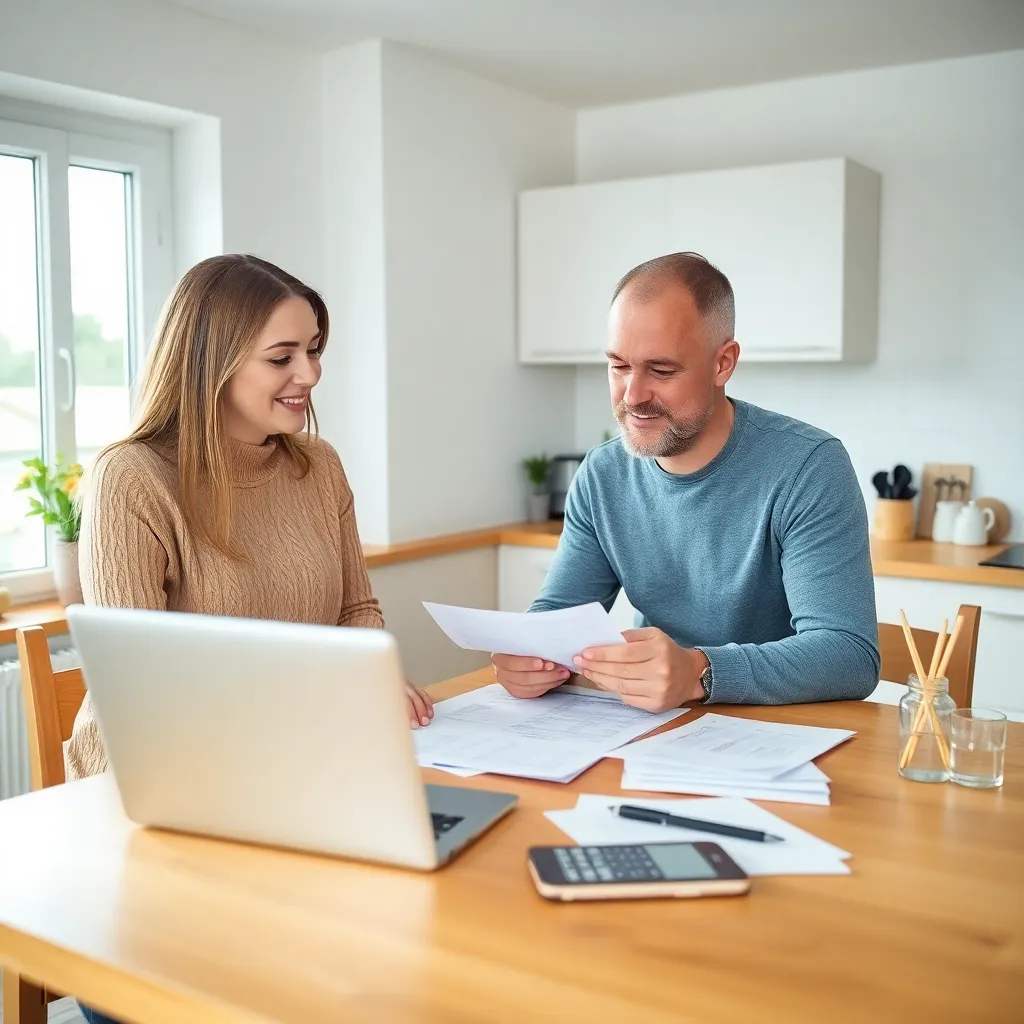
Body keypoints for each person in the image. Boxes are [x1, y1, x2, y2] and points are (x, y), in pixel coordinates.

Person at [68, 254, 434, 787]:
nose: (309, 373)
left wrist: (374, 678)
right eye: (281, 357)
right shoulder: (131, 477)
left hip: (295, 756)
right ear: (210, 363)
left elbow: (355, 610)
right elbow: (138, 683)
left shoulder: (319, 464)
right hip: (152, 775)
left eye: (312, 350)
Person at [491, 252, 879, 711]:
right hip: (653, 732)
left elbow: (849, 655)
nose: (633, 396)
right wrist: (531, 659)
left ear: (723, 363)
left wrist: (699, 671)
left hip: (785, 735)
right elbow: (557, 619)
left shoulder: (808, 467)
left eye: (661, 370)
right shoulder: (601, 475)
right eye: (618, 366)